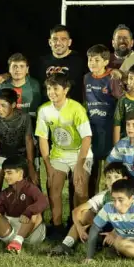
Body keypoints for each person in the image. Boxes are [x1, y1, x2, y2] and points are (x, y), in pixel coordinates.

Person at [35, 72, 92, 228]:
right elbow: (42, 139)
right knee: (54, 188)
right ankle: (57, 225)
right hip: (58, 154)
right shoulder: (44, 110)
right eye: (48, 89)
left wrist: (80, 165)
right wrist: (48, 167)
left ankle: (78, 224)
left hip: (80, 153)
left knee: (81, 191)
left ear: (65, 90)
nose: (51, 92)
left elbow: (87, 137)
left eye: (55, 88)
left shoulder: (76, 108)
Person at [47, 161, 131, 257]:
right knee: (83, 214)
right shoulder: (103, 195)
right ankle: (65, 245)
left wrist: (114, 233)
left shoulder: (130, 196)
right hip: (106, 228)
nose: (112, 181)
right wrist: (79, 228)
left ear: (125, 179)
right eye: (108, 177)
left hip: (123, 229)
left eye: (116, 177)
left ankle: (113, 247)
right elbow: (76, 211)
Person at [83, 44, 124, 193]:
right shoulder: (86, 78)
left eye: (97, 60)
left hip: (108, 129)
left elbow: (121, 101)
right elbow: (85, 101)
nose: (92, 63)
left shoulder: (112, 77)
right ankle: (91, 202)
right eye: (90, 60)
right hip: (92, 129)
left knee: (110, 170)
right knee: (92, 170)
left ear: (106, 62)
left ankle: (111, 200)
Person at [0, 88, 36, 187]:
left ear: (13, 105)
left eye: (3, 105)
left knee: (29, 184)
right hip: (3, 153)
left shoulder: (24, 117)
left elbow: (28, 140)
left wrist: (31, 165)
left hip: (21, 154)